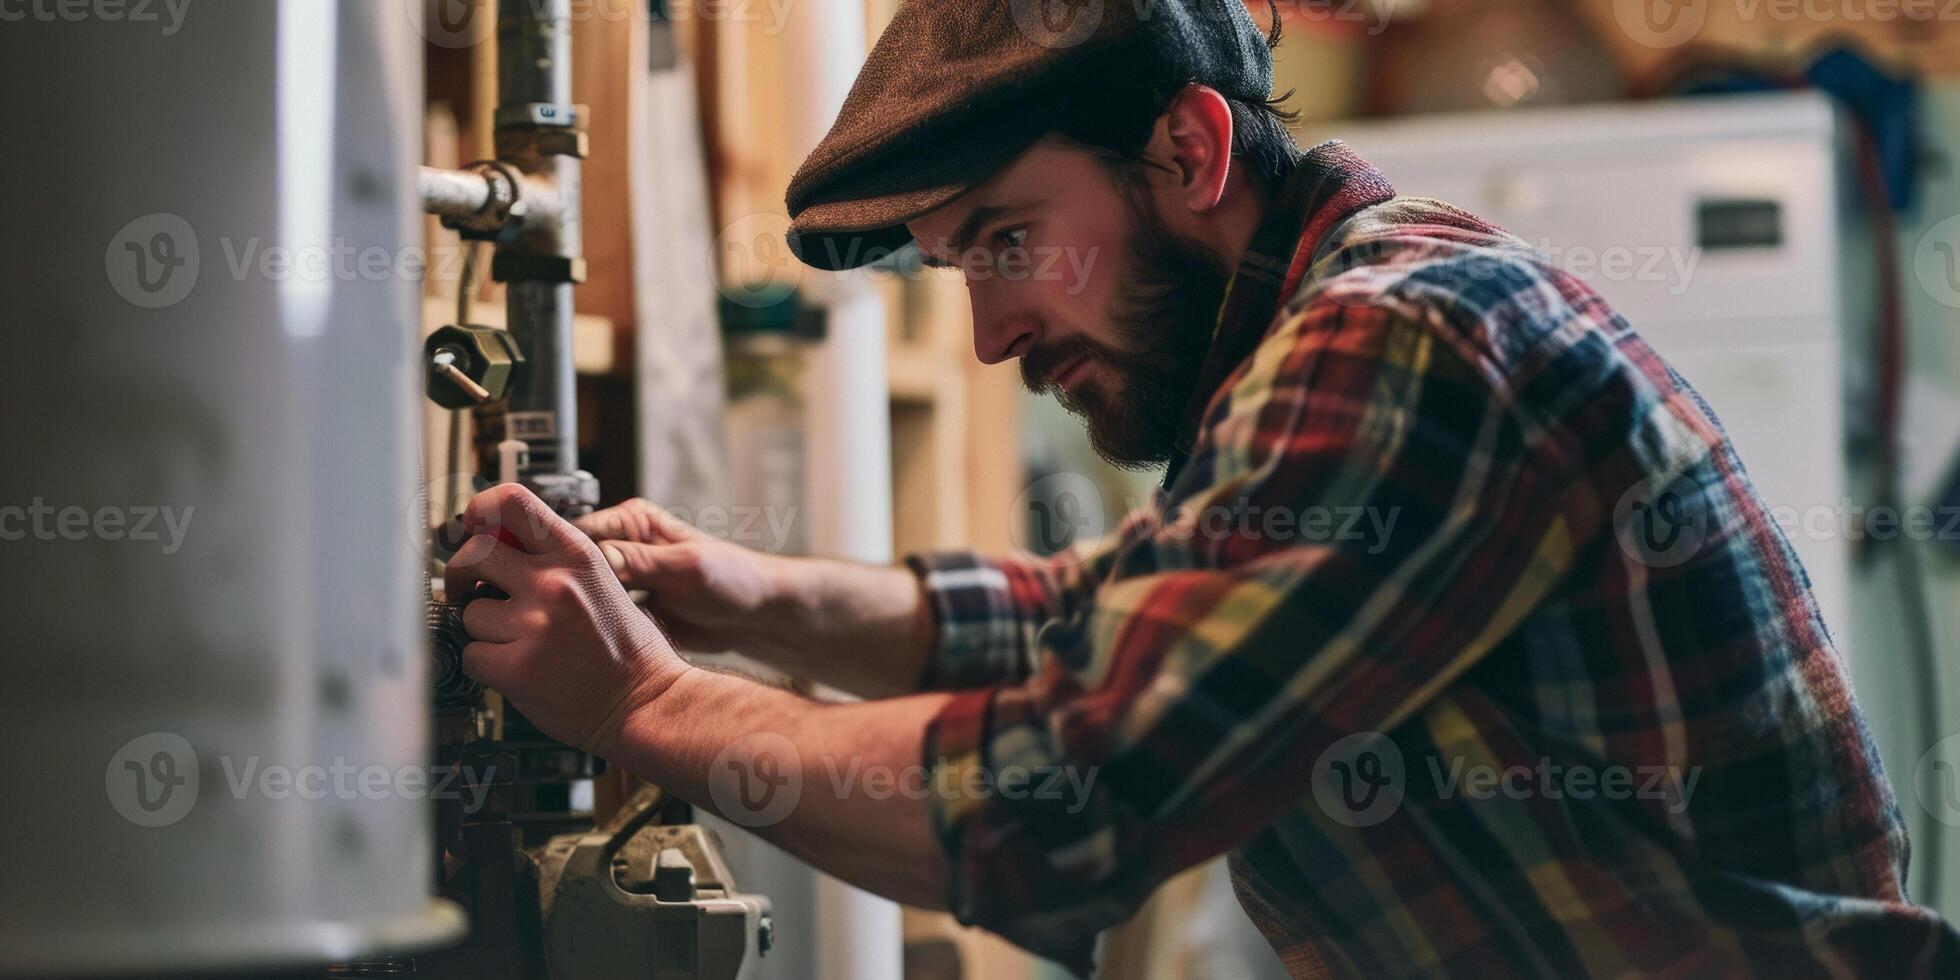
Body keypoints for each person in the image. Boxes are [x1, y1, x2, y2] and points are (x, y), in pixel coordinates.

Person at [443, 3, 1959, 976]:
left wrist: (646, 706)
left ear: (1189, 146)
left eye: (1007, 240)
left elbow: (1080, 791)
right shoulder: (1331, 315)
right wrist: (750, 596)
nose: (986, 335)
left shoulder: (1399, 336)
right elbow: (1109, 623)